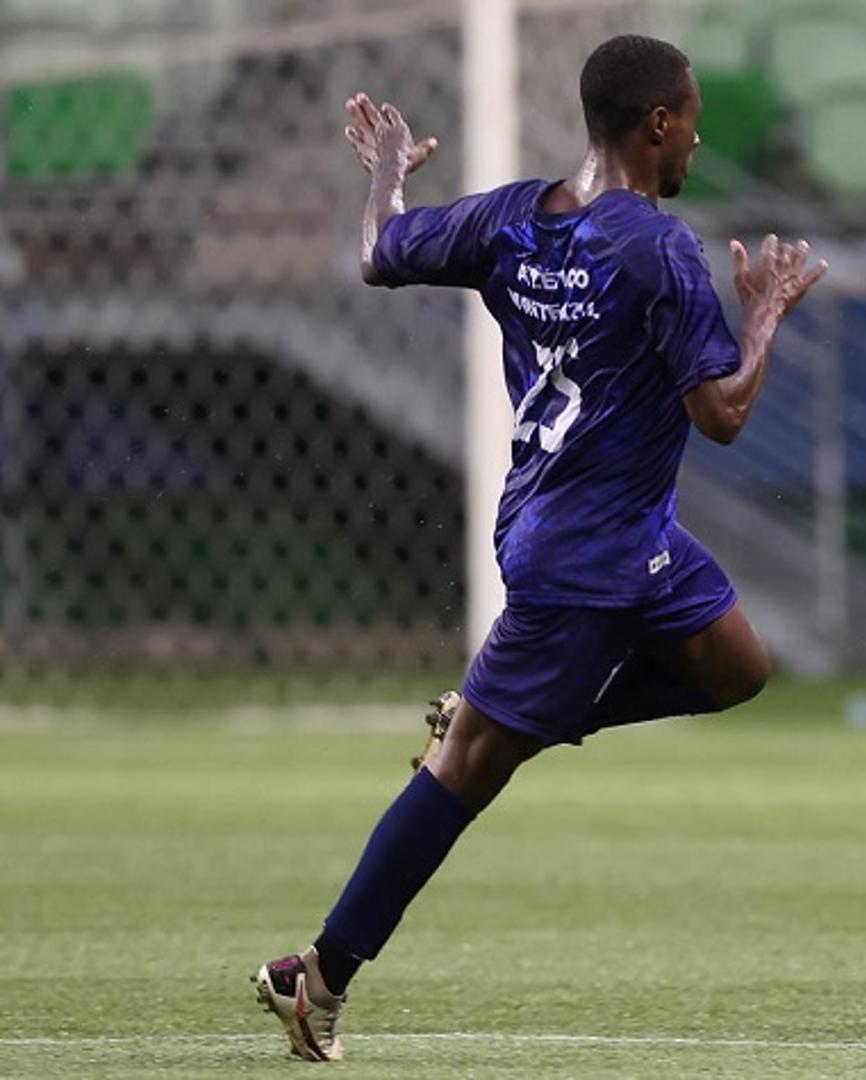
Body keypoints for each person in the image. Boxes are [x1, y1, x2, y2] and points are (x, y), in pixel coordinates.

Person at [250, 36, 827, 1062]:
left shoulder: (513, 214)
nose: (697, 135)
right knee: (468, 771)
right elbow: (725, 413)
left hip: (620, 529)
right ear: (659, 124)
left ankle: (505, 711)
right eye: (692, 118)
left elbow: (381, 254)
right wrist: (768, 316)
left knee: (738, 667)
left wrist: (386, 176)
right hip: (581, 555)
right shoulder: (657, 248)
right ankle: (322, 978)